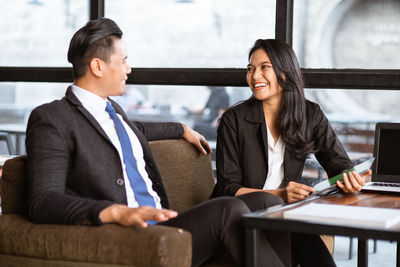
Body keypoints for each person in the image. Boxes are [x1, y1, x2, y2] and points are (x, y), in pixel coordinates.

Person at [26, 19, 289, 267]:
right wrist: (115, 212)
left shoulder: (114, 112)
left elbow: (137, 129)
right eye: (124, 61)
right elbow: (42, 200)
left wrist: (181, 129)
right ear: (98, 66)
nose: (129, 69)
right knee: (227, 209)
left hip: (164, 223)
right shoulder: (52, 119)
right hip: (127, 233)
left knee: (267, 204)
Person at [211, 39, 372, 266]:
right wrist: (281, 195)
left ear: (284, 73)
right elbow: (227, 187)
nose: (255, 76)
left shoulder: (310, 114)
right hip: (240, 216)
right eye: (250, 69)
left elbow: (337, 162)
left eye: (264, 67)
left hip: (284, 214)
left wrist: (349, 177)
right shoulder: (233, 120)